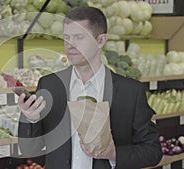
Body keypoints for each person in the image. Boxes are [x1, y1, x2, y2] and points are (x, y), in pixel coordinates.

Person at [17, 6, 162, 169]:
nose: (70, 45)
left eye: (79, 37)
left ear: (101, 40)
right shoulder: (49, 85)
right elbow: (30, 150)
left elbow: (153, 152)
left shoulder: (130, 92)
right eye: (66, 37)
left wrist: (113, 153)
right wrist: (31, 119)